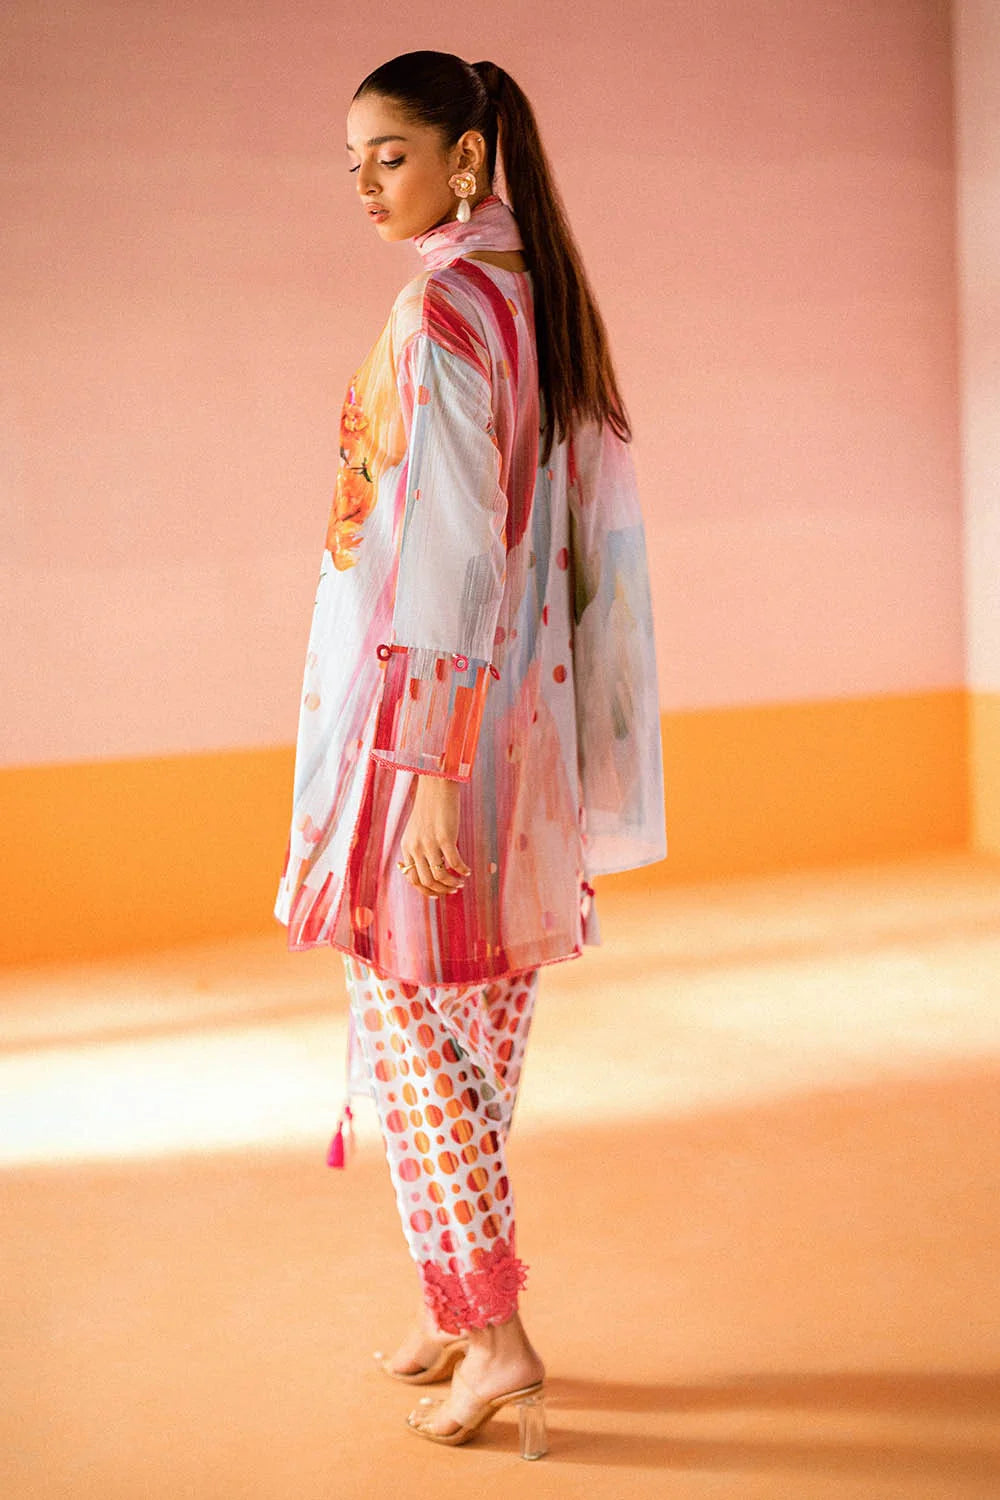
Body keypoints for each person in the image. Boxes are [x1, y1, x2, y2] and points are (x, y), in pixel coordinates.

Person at [274, 50, 666, 1454]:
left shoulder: (445, 308)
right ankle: (457, 1302)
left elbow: (444, 549)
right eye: (354, 163)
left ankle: (497, 1338)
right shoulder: (533, 296)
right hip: (522, 725)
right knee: (474, 1033)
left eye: (390, 156)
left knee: (413, 1028)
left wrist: (431, 767)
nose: (366, 186)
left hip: (437, 739)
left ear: (468, 157)